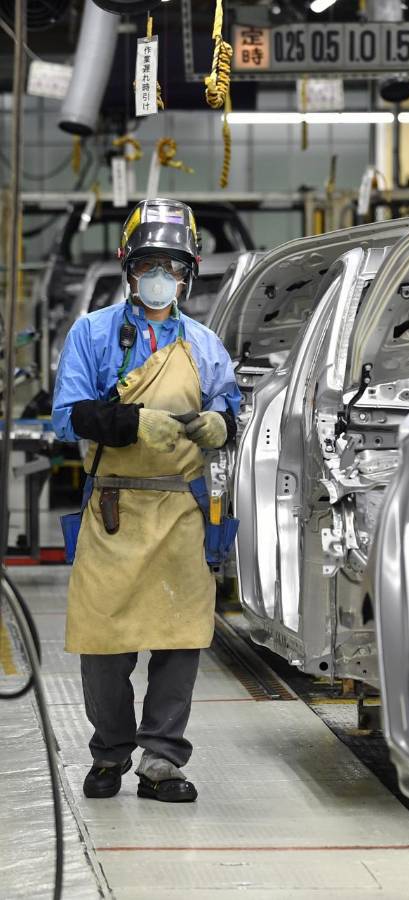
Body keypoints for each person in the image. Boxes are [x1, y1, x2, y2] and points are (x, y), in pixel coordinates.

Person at [51, 198, 240, 803]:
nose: (162, 276)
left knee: (180, 640)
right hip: (114, 511)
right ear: (128, 266)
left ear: (190, 272)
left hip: (180, 512)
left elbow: (232, 407)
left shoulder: (205, 344)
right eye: (150, 263)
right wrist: (131, 424)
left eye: (174, 265)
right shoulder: (93, 333)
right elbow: (66, 417)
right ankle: (109, 752)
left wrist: (222, 424)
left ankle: (160, 761)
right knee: (105, 644)